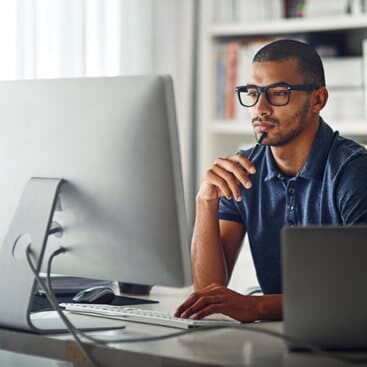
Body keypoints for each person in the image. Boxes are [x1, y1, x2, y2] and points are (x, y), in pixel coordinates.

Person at [175, 39, 367, 322]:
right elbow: (208, 293)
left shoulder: (353, 171)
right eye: (252, 93)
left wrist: (257, 307)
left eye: (278, 93)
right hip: (276, 335)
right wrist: (205, 201)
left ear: (318, 100)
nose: (260, 108)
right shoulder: (243, 169)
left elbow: (358, 293)